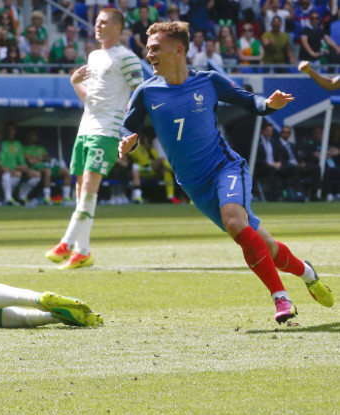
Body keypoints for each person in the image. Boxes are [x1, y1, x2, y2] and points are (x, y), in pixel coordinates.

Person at [118, 21, 334, 324]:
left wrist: (269, 103)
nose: (148, 53)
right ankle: (307, 272)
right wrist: (125, 140)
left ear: (178, 49)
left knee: (235, 222)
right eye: (147, 48)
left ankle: (281, 299)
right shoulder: (145, 92)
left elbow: (250, 101)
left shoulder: (208, 81)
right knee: (267, 247)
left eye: (155, 48)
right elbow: (128, 125)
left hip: (225, 168)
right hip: (194, 187)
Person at [46, 9, 144, 270]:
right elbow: (93, 100)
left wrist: (131, 127)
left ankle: (66, 242)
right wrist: (74, 82)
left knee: (89, 186)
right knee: (80, 190)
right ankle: (83, 252)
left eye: (104, 22)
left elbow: (142, 93)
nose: (97, 26)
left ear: (118, 27)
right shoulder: (94, 56)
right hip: (85, 128)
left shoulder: (127, 58)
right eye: (97, 22)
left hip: (107, 131)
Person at [23, 129, 72, 205]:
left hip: (47, 166)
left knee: (66, 172)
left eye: (34, 135)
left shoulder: (40, 148)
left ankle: (66, 197)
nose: (32, 137)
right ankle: (47, 197)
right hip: (35, 168)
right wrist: (40, 159)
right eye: (30, 135)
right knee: (47, 171)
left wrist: (40, 158)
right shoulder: (24, 148)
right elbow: (30, 161)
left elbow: (48, 159)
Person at [0, 123, 40, 205]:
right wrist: (14, 168)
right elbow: (1, 162)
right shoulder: (2, 144)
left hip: (17, 170)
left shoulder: (18, 144)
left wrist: (24, 166)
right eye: (9, 130)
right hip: (5, 170)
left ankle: (22, 196)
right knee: (10, 174)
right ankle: (8, 198)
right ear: (5, 132)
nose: (11, 132)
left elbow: (21, 160)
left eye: (13, 130)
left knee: (36, 174)